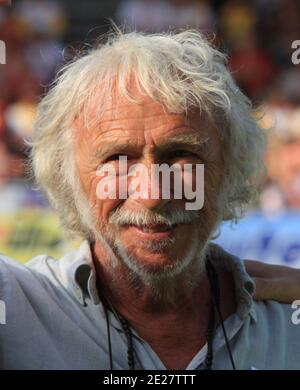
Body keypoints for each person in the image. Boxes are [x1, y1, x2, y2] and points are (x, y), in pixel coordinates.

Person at [1, 29, 300, 370]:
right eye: (117, 159)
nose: (153, 195)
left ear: (231, 167)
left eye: (181, 154)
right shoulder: (17, 309)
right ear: (66, 176)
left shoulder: (287, 323)